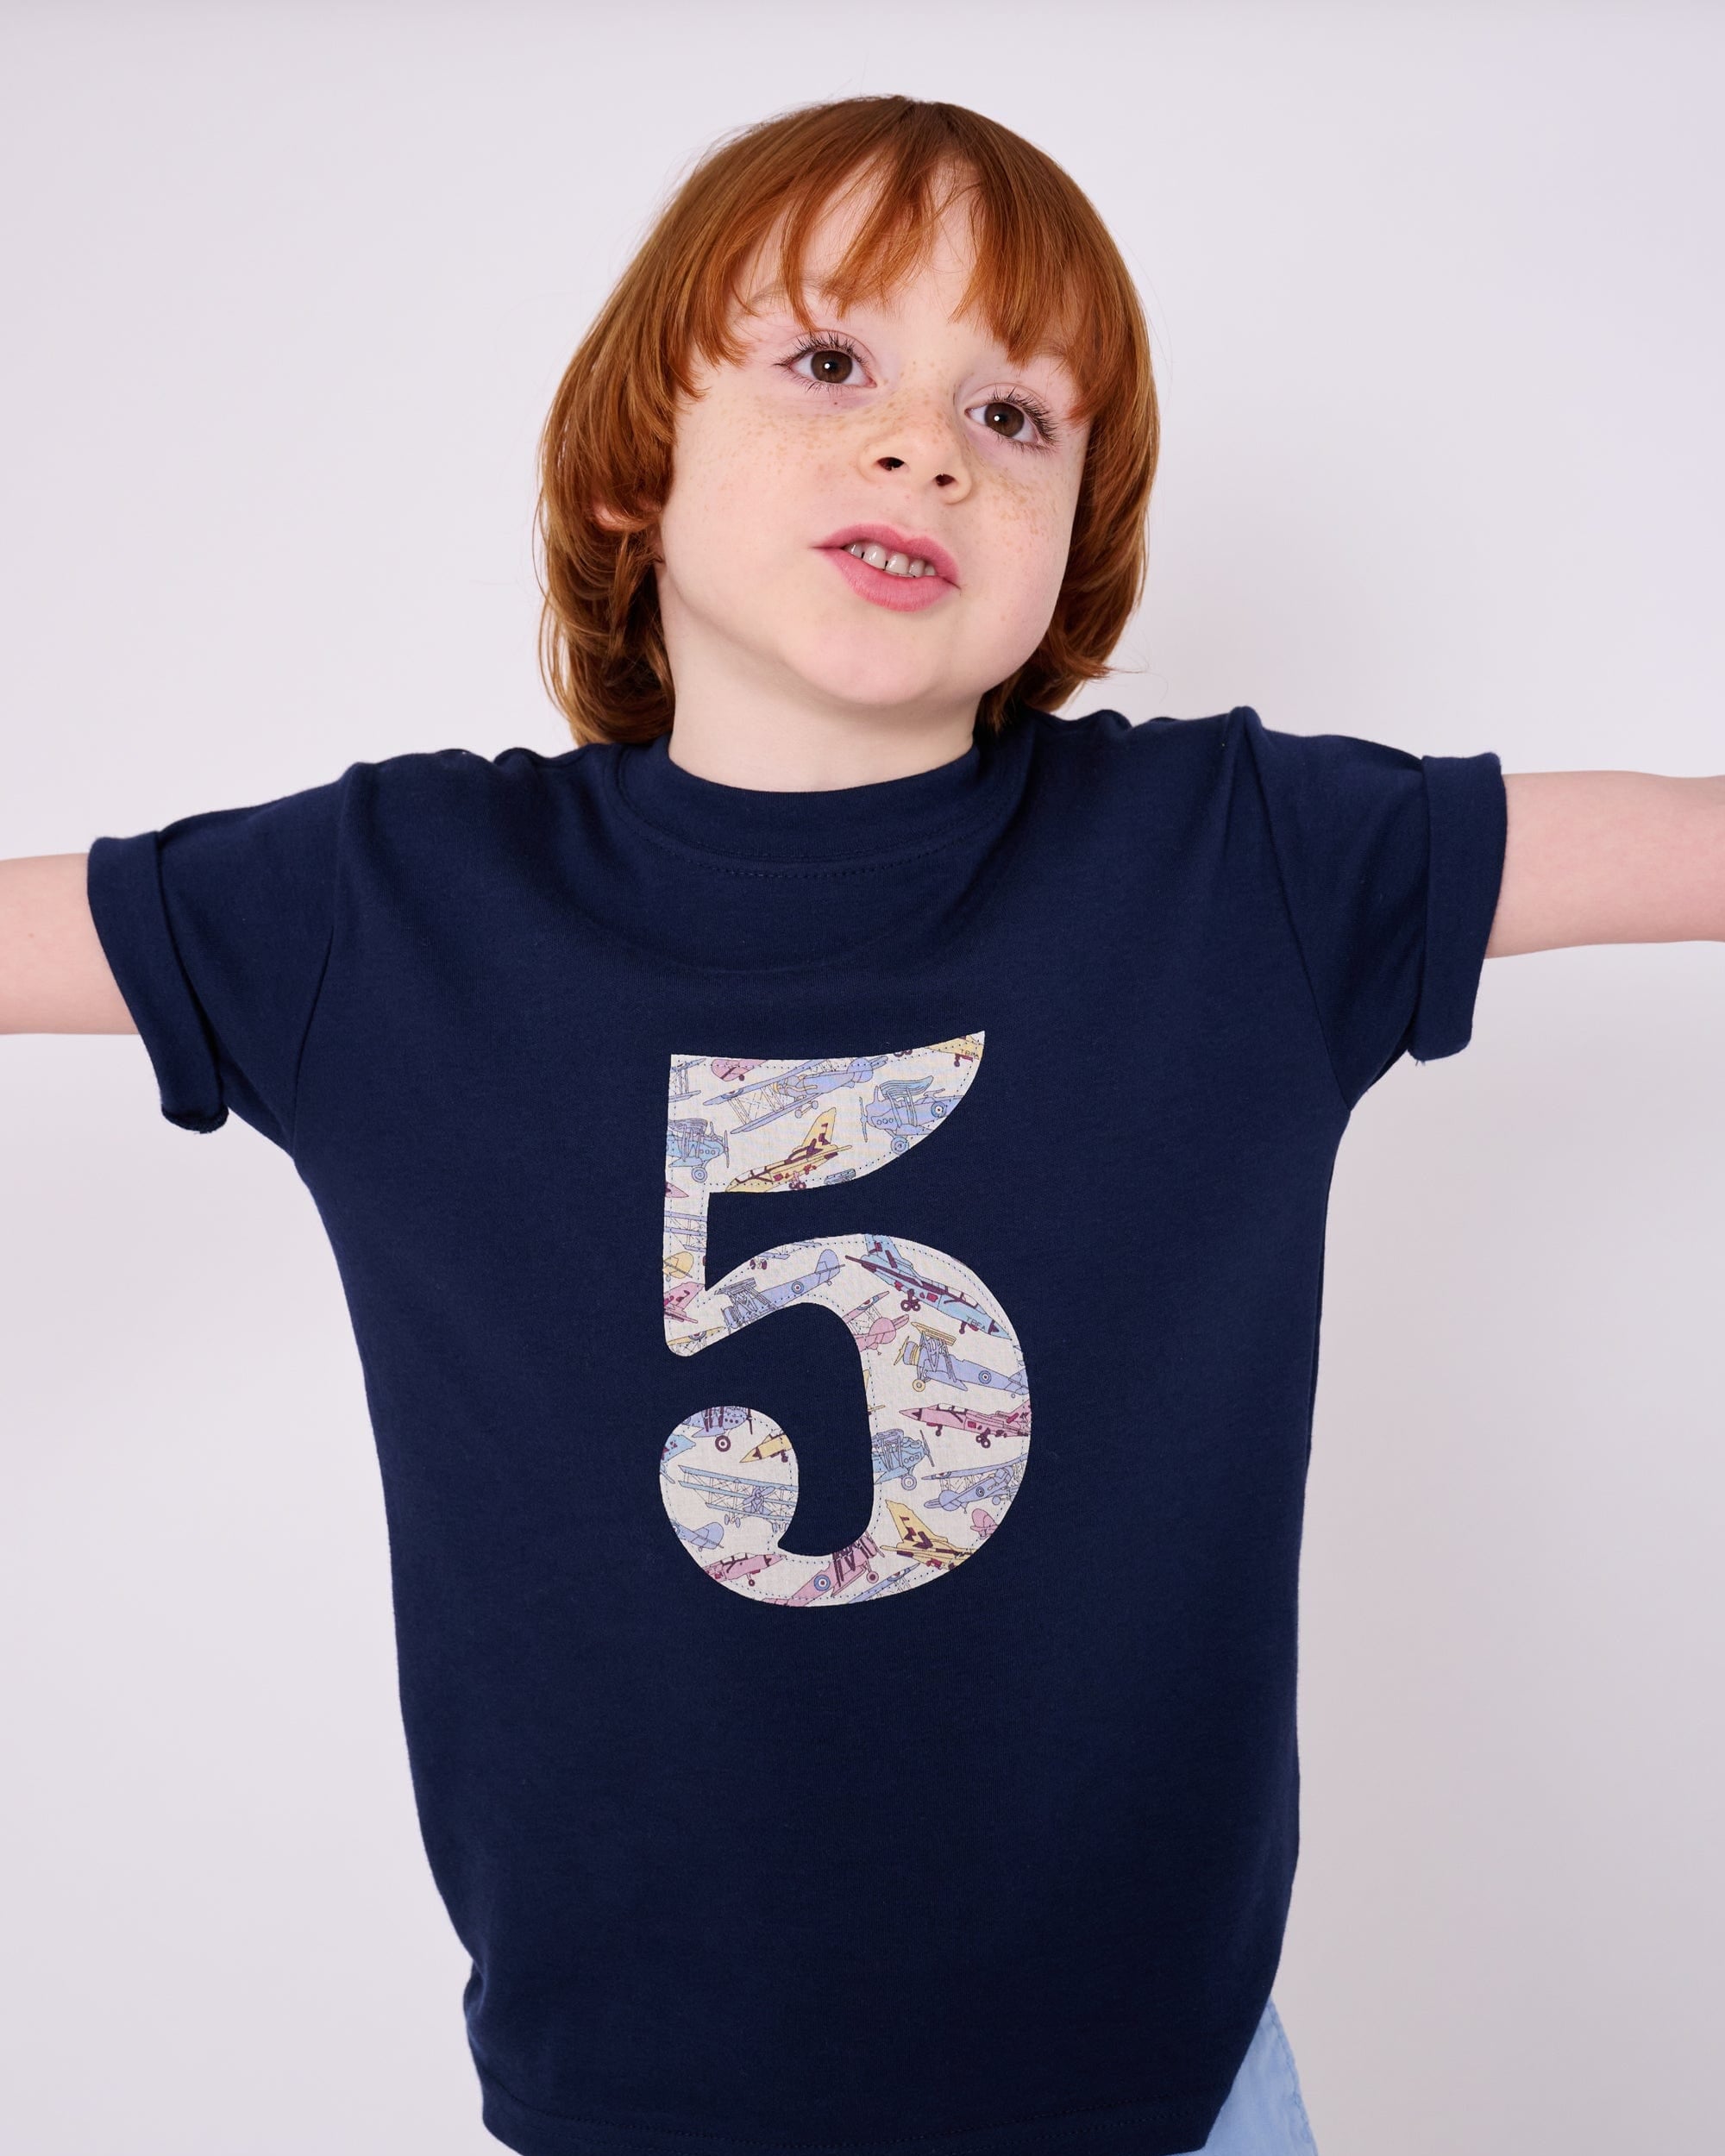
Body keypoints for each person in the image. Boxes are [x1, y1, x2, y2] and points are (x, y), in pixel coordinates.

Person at [0, 93, 1717, 2156]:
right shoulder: (387, 905)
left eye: (1017, 418)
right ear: (640, 465)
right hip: (638, 2108)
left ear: (1076, 536)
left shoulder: (1242, 861)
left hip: (1168, 2101)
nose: (924, 443)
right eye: (831, 364)